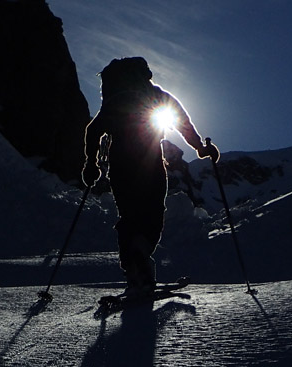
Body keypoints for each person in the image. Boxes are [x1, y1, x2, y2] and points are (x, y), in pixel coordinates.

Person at [82, 57, 219, 295]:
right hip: (150, 164)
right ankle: (142, 259)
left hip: (120, 166)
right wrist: (200, 147)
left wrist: (90, 164)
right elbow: (181, 122)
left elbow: (93, 130)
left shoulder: (115, 101)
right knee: (153, 213)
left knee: (129, 216)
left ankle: (134, 271)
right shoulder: (156, 95)